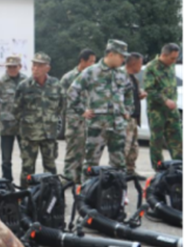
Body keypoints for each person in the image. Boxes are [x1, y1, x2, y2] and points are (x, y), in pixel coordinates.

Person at [69, 40, 134, 181]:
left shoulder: (122, 74)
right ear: (111, 54)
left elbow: (129, 93)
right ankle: (86, 192)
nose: (123, 60)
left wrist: (127, 111)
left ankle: (118, 191)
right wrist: (82, 111)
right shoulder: (91, 72)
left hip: (118, 126)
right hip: (97, 126)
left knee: (119, 164)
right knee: (91, 164)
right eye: (121, 56)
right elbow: (72, 91)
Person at [14, 52, 65, 188]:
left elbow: (61, 106)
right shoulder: (24, 86)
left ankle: (51, 195)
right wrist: (28, 123)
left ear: (48, 68)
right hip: (29, 135)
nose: (35, 68)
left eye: (40, 66)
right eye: (34, 65)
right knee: (27, 168)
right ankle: (25, 196)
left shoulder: (56, 84)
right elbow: (16, 109)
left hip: (49, 134)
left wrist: (50, 119)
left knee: (50, 168)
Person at [144, 43, 184, 170]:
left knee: (178, 138)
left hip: (172, 111)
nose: (174, 61)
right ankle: (159, 168)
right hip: (157, 112)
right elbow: (149, 89)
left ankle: (180, 166)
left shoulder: (171, 66)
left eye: (176, 58)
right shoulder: (151, 67)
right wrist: (165, 100)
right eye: (172, 58)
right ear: (164, 55)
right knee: (157, 141)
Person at [62, 49, 97, 184]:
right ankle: (68, 178)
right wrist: (80, 111)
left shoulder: (93, 77)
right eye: (91, 61)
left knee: (87, 151)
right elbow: (64, 99)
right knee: (73, 150)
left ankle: (82, 179)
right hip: (74, 120)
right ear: (82, 61)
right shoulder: (69, 77)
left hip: (90, 120)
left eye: (94, 62)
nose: (93, 64)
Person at [0, 56, 27, 182]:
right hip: (6, 127)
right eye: (9, 67)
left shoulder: (26, 81)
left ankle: (25, 182)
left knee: (27, 157)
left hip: (23, 126)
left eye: (14, 66)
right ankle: (7, 182)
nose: (11, 69)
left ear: (19, 67)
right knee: (6, 159)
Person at [124, 53, 147, 179]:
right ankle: (120, 172)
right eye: (140, 63)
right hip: (125, 118)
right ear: (133, 63)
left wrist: (140, 94)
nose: (141, 66)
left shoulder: (133, 78)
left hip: (134, 118)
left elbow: (133, 94)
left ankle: (130, 170)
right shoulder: (122, 77)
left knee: (133, 147)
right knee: (125, 147)